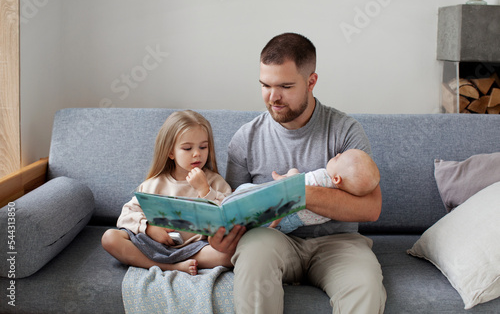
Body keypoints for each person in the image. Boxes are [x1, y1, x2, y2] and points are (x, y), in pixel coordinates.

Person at [209, 32, 387, 313]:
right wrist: (221, 236)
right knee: (254, 255)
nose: (273, 97)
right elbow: (232, 209)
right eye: (265, 85)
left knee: (365, 285)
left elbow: (371, 208)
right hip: (273, 241)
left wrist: (297, 193)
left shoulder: (344, 130)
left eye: (285, 86)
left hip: (338, 243)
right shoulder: (246, 138)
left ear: (311, 81)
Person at [101, 110, 233, 276]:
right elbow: (126, 215)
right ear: (171, 152)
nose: (197, 153)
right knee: (109, 238)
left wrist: (205, 191)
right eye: (187, 148)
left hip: (195, 248)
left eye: (203, 147)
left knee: (230, 254)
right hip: (153, 244)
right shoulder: (155, 183)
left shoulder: (215, 182)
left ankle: (172, 262)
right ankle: (171, 267)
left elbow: (228, 219)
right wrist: (149, 229)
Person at [277, 148, 381, 234]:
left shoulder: (322, 177)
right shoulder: (342, 203)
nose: (338, 153)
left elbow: (293, 185)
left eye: (337, 158)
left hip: (281, 211)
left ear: (336, 179)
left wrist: (292, 172)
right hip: (290, 225)